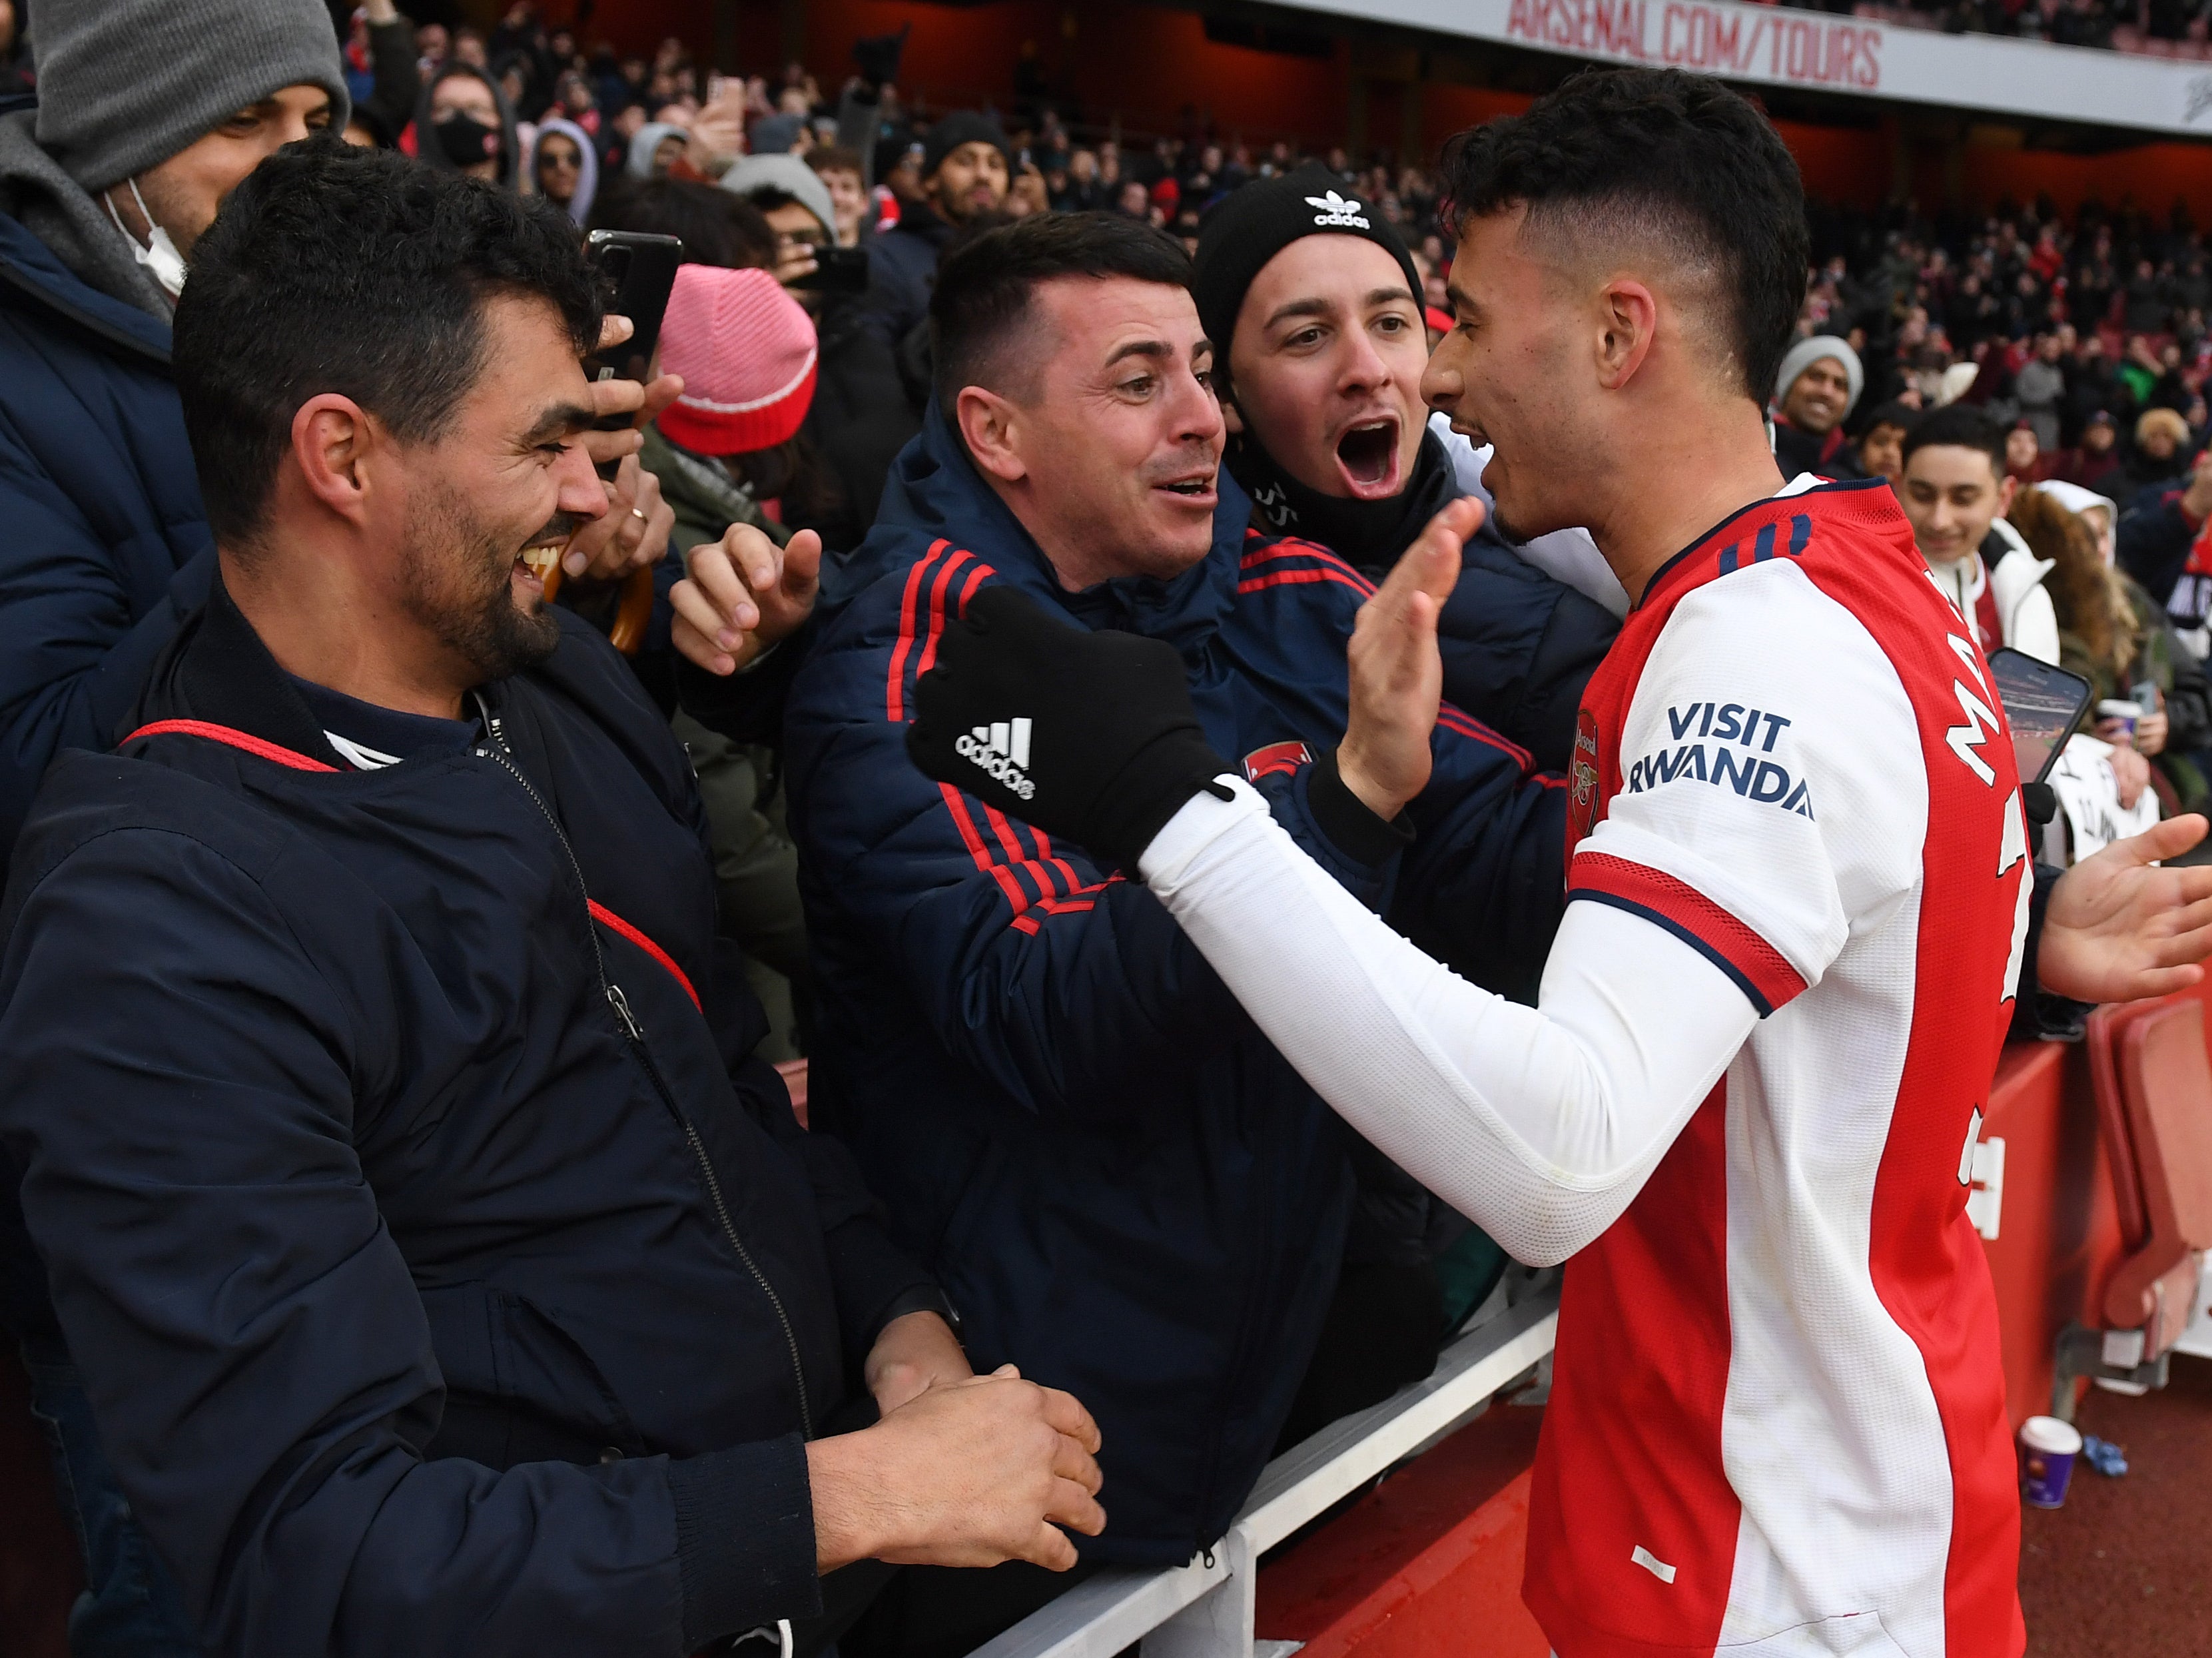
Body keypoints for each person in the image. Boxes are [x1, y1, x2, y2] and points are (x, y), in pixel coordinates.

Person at [905, 68, 2212, 1658]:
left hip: (1767, 1557)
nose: (1439, 372)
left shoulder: (1753, 653)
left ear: (1616, 332)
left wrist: (1170, 812)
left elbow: (1559, 1154)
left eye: (1459, 314)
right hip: (1818, 1497)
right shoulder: (1857, 582)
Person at [0, 136, 1104, 1658]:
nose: (607, 489)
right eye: (547, 444)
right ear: (342, 457)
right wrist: (838, 1497)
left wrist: (894, 1321)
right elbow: (310, 1551)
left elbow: (723, 1093)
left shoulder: (564, 681)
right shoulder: (155, 920)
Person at [783, 211, 1565, 1654]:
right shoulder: (908, 655)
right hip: (1011, 1452)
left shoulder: (1267, 588)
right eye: (1140, 380)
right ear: (997, 432)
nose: (1204, 416)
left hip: (1237, 1409)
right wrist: (1328, 811)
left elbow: (1510, 848)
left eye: (1202, 370)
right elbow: (1046, 1007)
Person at [1194, 165, 1620, 771]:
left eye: (1390, 323)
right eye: (1308, 336)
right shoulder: (1158, 590)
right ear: (1226, 393)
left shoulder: (1558, 636)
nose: (1367, 369)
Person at [725, 151, 923, 553]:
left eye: (803, 241)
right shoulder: (697, 372)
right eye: (765, 241)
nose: (787, 257)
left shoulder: (872, 358)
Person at [1900, 404, 2060, 661]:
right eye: (1922, 496)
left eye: (1963, 499)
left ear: (2003, 498)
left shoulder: (2027, 588)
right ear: (1898, 487)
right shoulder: (1868, 589)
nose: (1940, 520)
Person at [865, 111, 1011, 348]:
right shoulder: (884, 258)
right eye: (965, 161)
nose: (984, 175)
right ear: (930, 179)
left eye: (995, 165)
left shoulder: (1019, 262)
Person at [412, 59, 519, 188]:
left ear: (501, 120)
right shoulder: (400, 204)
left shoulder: (531, 204)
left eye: (477, 109)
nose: (462, 119)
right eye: (445, 109)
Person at [1768, 332, 1862, 476]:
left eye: (1840, 385)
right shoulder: (1748, 444)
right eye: (1816, 377)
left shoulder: (1853, 479)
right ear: (1789, 383)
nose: (1827, 392)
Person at [525, 114, 597, 224]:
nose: (562, 169)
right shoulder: (522, 228)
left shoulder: (607, 221)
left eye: (573, 159)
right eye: (550, 161)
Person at [809, 143, 869, 246]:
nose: (836, 198)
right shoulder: (783, 260)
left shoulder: (883, 260)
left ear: (864, 203)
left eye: (847, 187)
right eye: (825, 187)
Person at [1851, 397, 1915, 486]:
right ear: (1861, 449)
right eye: (1880, 442)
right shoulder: (1837, 486)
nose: (1889, 452)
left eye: (1903, 446)